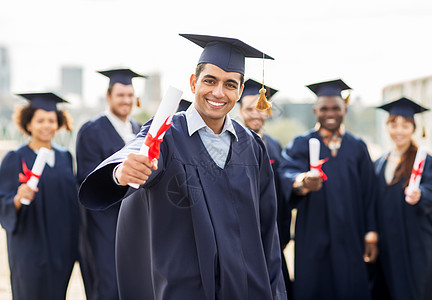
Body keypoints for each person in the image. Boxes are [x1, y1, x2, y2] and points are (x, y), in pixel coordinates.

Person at [79, 33, 287, 300]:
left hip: (245, 288)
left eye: (230, 84)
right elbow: (139, 150)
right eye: (210, 80)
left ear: (239, 90)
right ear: (193, 82)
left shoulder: (253, 146)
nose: (218, 92)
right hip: (186, 288)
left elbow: (268, 232)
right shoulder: (167, 133)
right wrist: (121, 171)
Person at [279, 79, 378, 300]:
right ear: (315, 110)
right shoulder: (301, 143)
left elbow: (369, 192)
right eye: (324, 108)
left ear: (345, 109)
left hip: (350, 234)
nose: (330, 113)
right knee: (316, 286)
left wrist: (370, 235)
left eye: (336, 108)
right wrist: (302, 181)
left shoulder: (357, 147)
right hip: (314, 233)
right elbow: (286, 173)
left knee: (349, 286)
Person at [0, 93, 79, 299]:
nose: (47, 126)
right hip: (29, 247)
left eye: (52, 120)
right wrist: (18, 198)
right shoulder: (15, 158)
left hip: (61, 247)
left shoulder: (64, 157)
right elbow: (3, 201)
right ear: (28, 124)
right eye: (40, 120)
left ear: (59, 123)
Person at [76, 68, 145, 299]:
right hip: (103, 222)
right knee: (108, 284)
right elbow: (86, 178)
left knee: (133, 282)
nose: (126, 101)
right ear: (108, 97)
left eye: (129, 95)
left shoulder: (138, 130)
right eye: (120, 95)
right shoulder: (91, 130)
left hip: (135, 221)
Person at [372, 97, 432, 300]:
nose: (399, 131)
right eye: (393, 124)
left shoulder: (425, 161)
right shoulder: (379, 163)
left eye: (405, 125)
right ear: (387, 126)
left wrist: (420, 194)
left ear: (414, 128)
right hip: (390, 240)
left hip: (417, 240)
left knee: (419, 289)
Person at [239, 78, 292, 299]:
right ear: (239, 109)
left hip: (270, 234)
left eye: (260, 109)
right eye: (249, 109)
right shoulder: (232, 141)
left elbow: (281, 190)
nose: (256, 114)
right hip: (241, 235)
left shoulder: (274, 145)